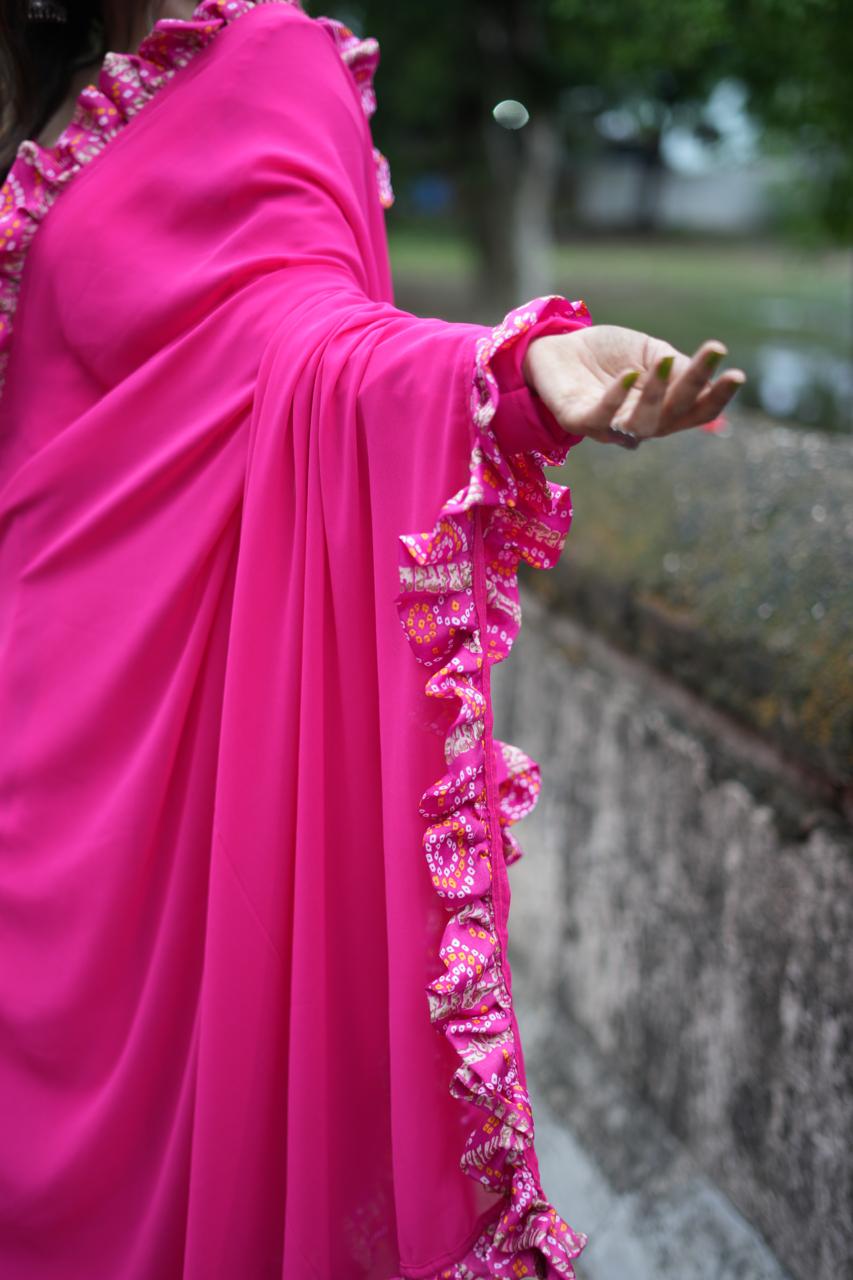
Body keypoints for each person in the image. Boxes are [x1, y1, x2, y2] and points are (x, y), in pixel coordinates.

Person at [0, 2, 746, 1277]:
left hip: (140, 760)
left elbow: (300, 335)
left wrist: (508, 374)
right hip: (28, 700)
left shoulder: (270, 59)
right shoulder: (51, 75)